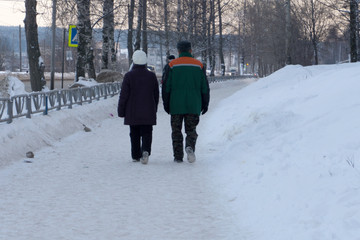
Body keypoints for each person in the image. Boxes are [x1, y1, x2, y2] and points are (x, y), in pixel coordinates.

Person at [162, 41, 210, 163]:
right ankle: (190, 147)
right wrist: (205, 103)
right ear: (190, 50)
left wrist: (166, 104)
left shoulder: (171, 65)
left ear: (178, 51)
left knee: (176, 131)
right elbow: (204, 86)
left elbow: (166, 87)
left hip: (176, 105)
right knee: (191, 130)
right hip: (194, 105)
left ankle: (178, 156)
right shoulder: (199, 65)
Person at [118, 50, 159, 164]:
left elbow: (124, 95)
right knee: (147, 132)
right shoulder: (151, 76)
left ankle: (136, 155)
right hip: (148, 110)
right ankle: (145, 151)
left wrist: (121, 110)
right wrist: (154, 108)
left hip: (132, 111)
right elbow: (156, 94)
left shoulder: (129, 76)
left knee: (134, 133)